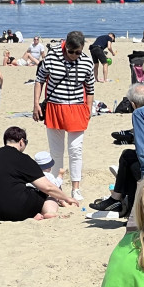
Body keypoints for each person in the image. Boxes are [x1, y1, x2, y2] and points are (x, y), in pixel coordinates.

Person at [89, 84, 144, 215]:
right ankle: (120, 202)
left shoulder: (139, 113)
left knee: (130, 162)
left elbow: (143, 149)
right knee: (129, 157)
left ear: (133, 103)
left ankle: (118, 201)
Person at [33, 31, 94, 202]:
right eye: (70, 51)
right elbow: (40, 80)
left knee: (75, 150)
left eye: (78, 52)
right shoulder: (52, 58)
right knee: (56, 152)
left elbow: (90, 89)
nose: (74, 55)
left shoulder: (87, 62)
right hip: (54, 108)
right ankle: (56, 188)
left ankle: (76, 188)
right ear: (65, 46)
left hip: (77, 109)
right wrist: (36, 104)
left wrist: (88, 110)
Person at [0, 126, 77, 222]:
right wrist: (66, 198)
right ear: (21, 142)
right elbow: (47, 187)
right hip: (16, 212)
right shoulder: (23, 158)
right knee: (46, 194)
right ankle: (48, 212)